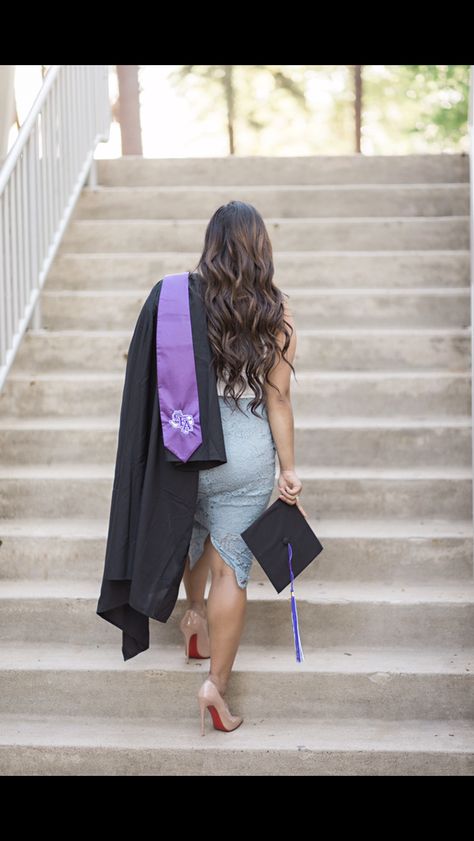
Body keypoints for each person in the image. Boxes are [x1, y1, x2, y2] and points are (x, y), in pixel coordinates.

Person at [177, 201, 306, 735]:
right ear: (261, 250)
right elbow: (278, 400)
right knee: (232, 566)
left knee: (191, 531)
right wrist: (289, 469)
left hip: (188, 442)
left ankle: (193, 617)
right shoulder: (277, 317)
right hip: (248, 452)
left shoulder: (184, 306)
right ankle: (216, 687)